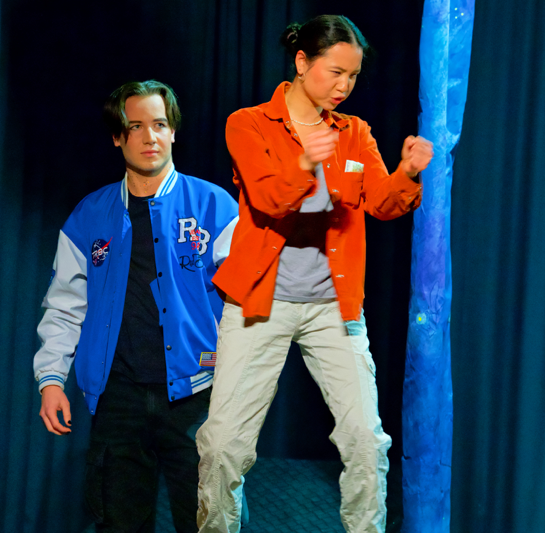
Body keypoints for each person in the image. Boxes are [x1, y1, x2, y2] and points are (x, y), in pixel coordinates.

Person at [195, 14, 434, 533]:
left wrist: (408, 173)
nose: (344, 86)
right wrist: (304, 165)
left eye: (353, 75)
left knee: (366, 441)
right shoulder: (249, 123)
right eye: (335, 72)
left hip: (333, 307)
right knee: (223, 444)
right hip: (259, 302)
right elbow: (266, 198)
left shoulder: (354, 132)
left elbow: (382, 202)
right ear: (302, 63)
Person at [33, 80, 238, 532]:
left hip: (199, 393)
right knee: (118, 522)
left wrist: (242, 381)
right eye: (136, 126)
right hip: (118, 398)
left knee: (209, 520)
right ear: (117, 137)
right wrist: (51, 379)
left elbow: (245, 305)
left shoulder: (214, 206)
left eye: (160, 125)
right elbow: (65, 305)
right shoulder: (90, 214)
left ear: (173, 131)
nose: (150, 137)